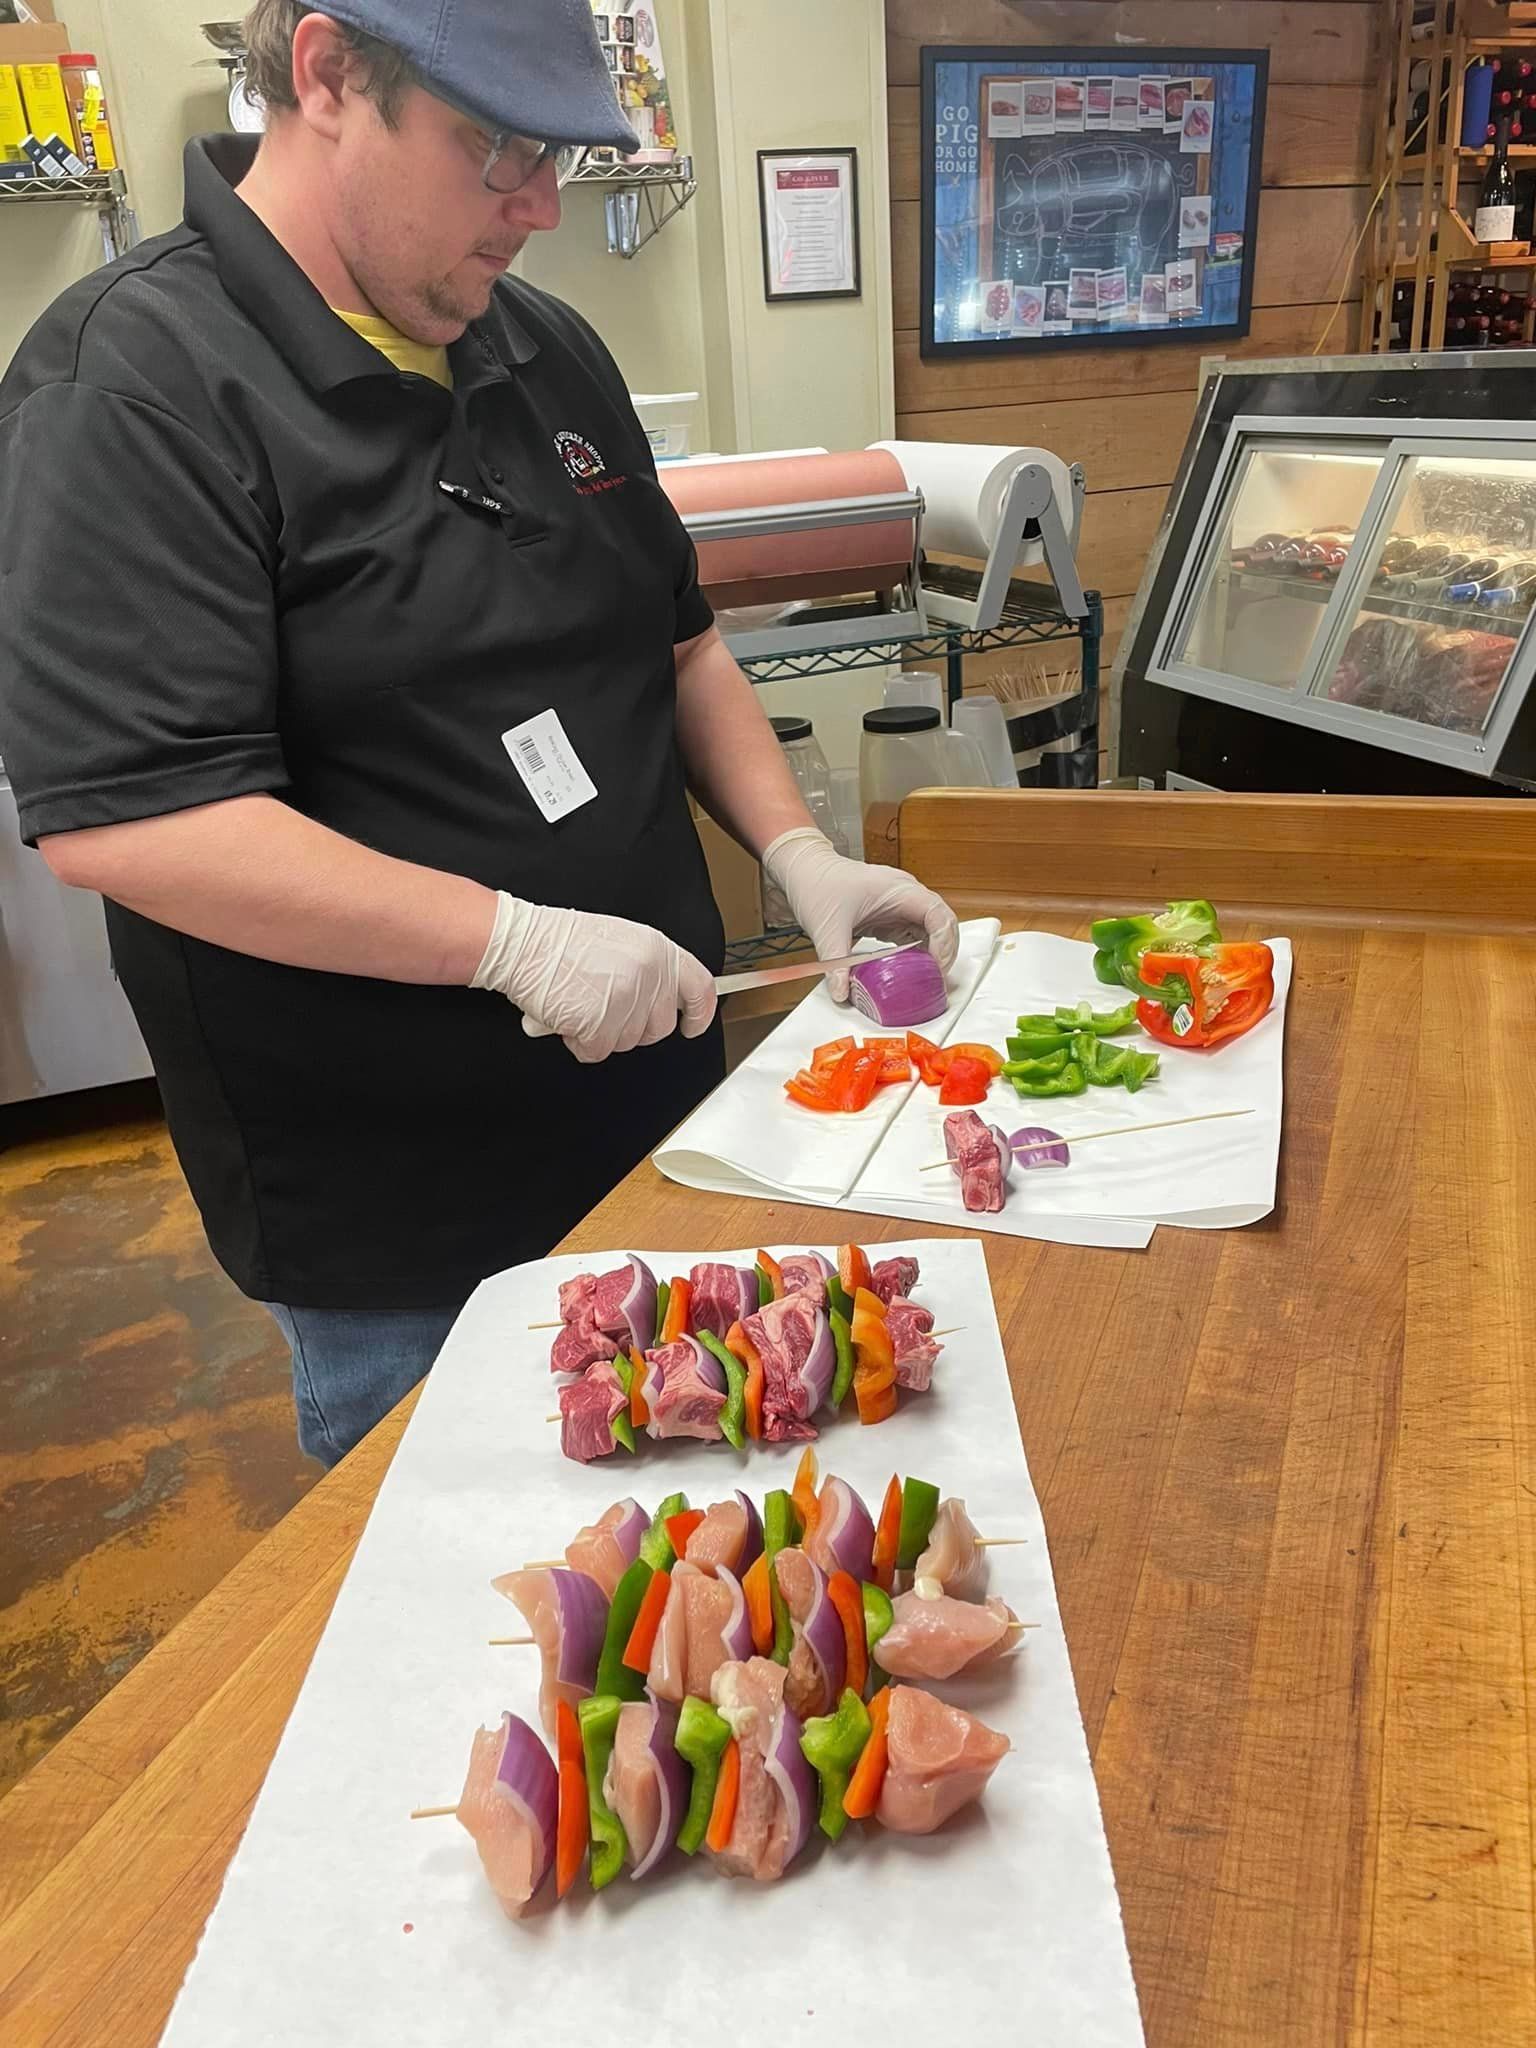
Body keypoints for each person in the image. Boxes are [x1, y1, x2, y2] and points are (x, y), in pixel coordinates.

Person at [0, 0, 958, 1466]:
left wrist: (798, 848)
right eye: (494, 145)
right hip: (407, 1219)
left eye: (556, 151)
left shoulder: (541, 344)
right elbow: (134, 820)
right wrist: (515, 942)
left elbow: (680, 638)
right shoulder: (132, 389)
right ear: (324, 75)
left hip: (661, 1130)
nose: (540, 204)